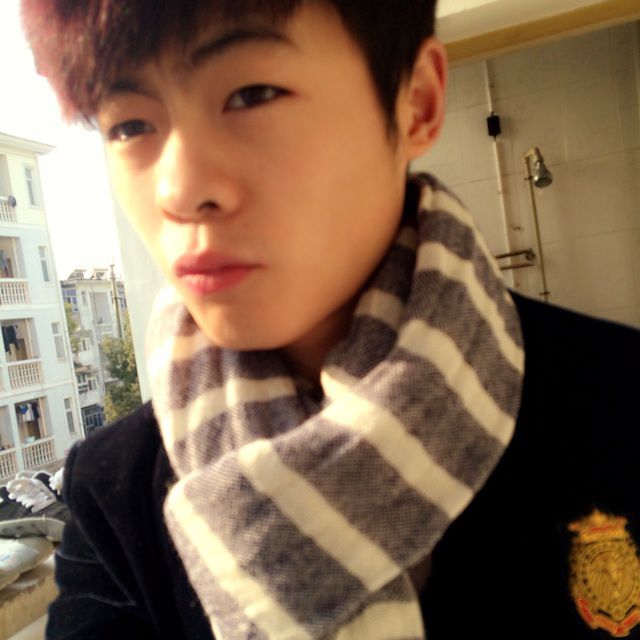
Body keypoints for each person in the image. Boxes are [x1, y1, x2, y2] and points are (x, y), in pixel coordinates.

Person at [20, 1, 640, 639]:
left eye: (252, 94)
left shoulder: (622, 399)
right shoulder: (114, 493)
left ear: (417, 104)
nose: (178, 191)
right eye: (128, 126)